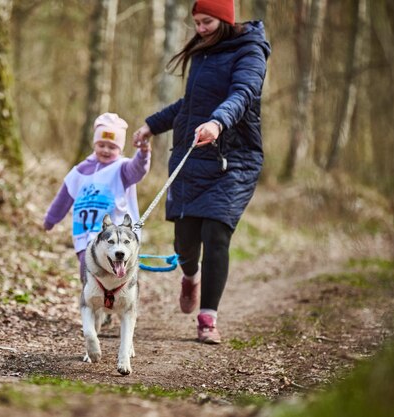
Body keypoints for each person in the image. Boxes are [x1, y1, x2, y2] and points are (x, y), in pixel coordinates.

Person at [132, 0, 271, 344]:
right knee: (185, 240)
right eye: (196, 22)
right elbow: (189, 104)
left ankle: (208, 317)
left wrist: (218, 122)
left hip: (232, 157)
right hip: (193, 154)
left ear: (225, 19)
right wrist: (152, 125)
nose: (200, 29)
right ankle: (189, 276)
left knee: (216, 232)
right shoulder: (202, 53)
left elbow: (243, 94)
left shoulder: (250, 51)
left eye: (207, 21)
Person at [44, 112, 151, 283]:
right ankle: (94, 305)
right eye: (101, 145)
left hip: (114, 236)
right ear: (94, 143)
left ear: (120, 149)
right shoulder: (79, 171)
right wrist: (51, 219)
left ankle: (114, 302)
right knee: (87, 274)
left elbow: (137, 170)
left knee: (116, 276)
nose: (106, 150)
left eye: (112, 147)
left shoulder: (122, 169)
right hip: (84, 234)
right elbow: (63, 197)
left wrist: (143, 154)